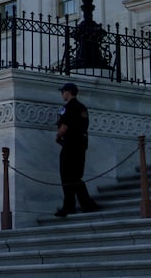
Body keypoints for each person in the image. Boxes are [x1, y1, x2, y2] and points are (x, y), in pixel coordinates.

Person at [54, 82, 101, 217]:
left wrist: (58, 136)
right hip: (81, 146)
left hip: (69, 146)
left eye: (63, 92)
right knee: (75, 176)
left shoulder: (68, 108)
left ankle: (71, 206)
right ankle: (85, 204)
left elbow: (64, 127)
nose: (62, 94)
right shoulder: (82, 108)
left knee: (66, 176)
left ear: (68, 92)